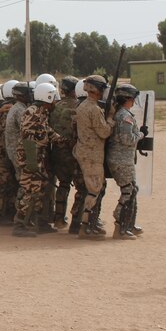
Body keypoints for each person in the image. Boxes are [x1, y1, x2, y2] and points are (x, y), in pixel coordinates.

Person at [12, 83, 62, 237]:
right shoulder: (32, 113)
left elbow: (45, 130)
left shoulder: (41, 113)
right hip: (30, 158)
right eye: (53, 98)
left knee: (40, 190)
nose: (55, 101)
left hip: (37, 157)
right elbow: (28, 140)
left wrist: (61, 140)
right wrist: (34, 165)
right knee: (30, 190)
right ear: (47, 97)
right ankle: (20, 224)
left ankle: (39, 222)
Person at [74, 74, 114, 240]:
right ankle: (87, 227)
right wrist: (111, 118)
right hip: (92, 155)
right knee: (94, 189)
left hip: (84, 152)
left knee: (95, 187)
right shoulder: (94, 109)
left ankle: (89, 223)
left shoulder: (83, 106)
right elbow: (104, 132)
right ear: (97, 90)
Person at [107, 83, 145, 240]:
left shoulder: (121, 114)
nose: (134, 102)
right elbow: (127, 139)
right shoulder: (125, 117)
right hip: (121, 160)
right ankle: (120, 225)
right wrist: (141, 135)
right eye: (133, 99)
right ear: (128, 99)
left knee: (132, 189)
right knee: (128, 190)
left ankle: (128, 224)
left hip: (122, 159)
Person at [49, 76, 85, 231]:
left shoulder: (54, 106)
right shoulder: (79, 106)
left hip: (57, 151)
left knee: (63, 185)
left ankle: (58, 218)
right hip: (74, 152)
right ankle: (76, 222)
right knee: (81, 187)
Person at [0, 80, 19, 225]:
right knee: (3, 183)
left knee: (8, 183)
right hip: (4, 151)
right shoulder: (8, 110)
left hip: (3, 151)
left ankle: (7, 212)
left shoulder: (3, 109)